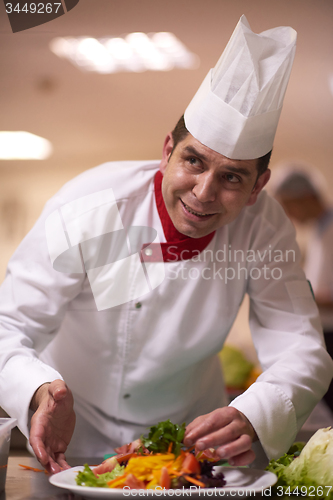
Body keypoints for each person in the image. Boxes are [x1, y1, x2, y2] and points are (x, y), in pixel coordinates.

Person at [0, 15, 332, 474]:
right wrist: (39, 391)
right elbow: (9, 325)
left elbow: (300, 346)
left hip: (189, 444)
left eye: (232, 176)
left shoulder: (264, 228)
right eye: (193, 161)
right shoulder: (90, 208)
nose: (203, 192)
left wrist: (254, 413)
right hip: (72, 437)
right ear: (166, 152)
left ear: (258, 187)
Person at [272, 164, 333, 411]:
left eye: (289, 205)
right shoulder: (320, 229)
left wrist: (300, 295)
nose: (289, 214)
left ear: (307, 197)